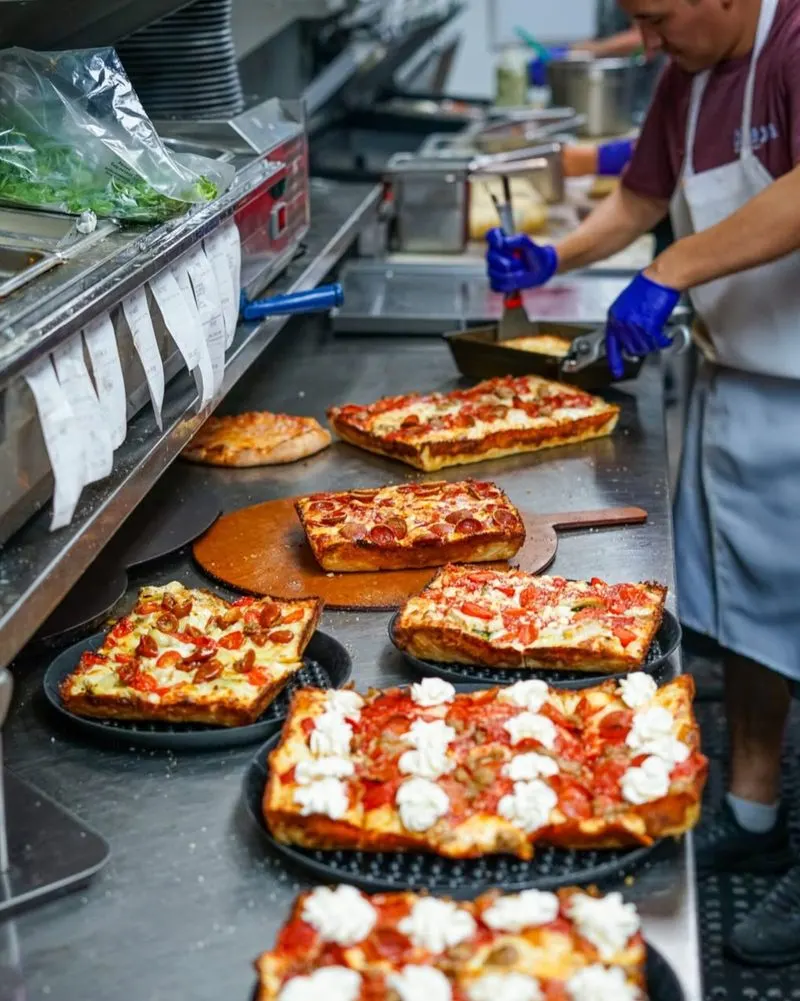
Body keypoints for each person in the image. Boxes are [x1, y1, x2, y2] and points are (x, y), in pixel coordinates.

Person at [486, 0, 800, 967]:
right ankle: (752, 807)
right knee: (755, 617)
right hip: (744, 380)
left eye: (658, 19)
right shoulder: (688, 71)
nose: (649, 43)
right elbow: (641, 195)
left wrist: (668, 272)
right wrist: (557, 254)